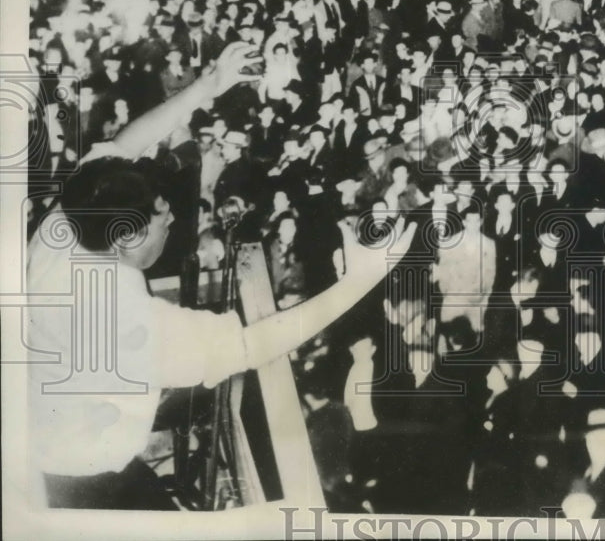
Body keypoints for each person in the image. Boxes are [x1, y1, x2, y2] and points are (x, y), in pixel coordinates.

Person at [27, 44, 417, 509]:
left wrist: (208, 86)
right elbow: (253, 345)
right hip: (82, 479)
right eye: (162, 216)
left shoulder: (69, 220)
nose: (173, 220)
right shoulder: (118, 318)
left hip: (56, 432)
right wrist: (357, 283)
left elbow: (122, 147)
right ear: (127, 236)